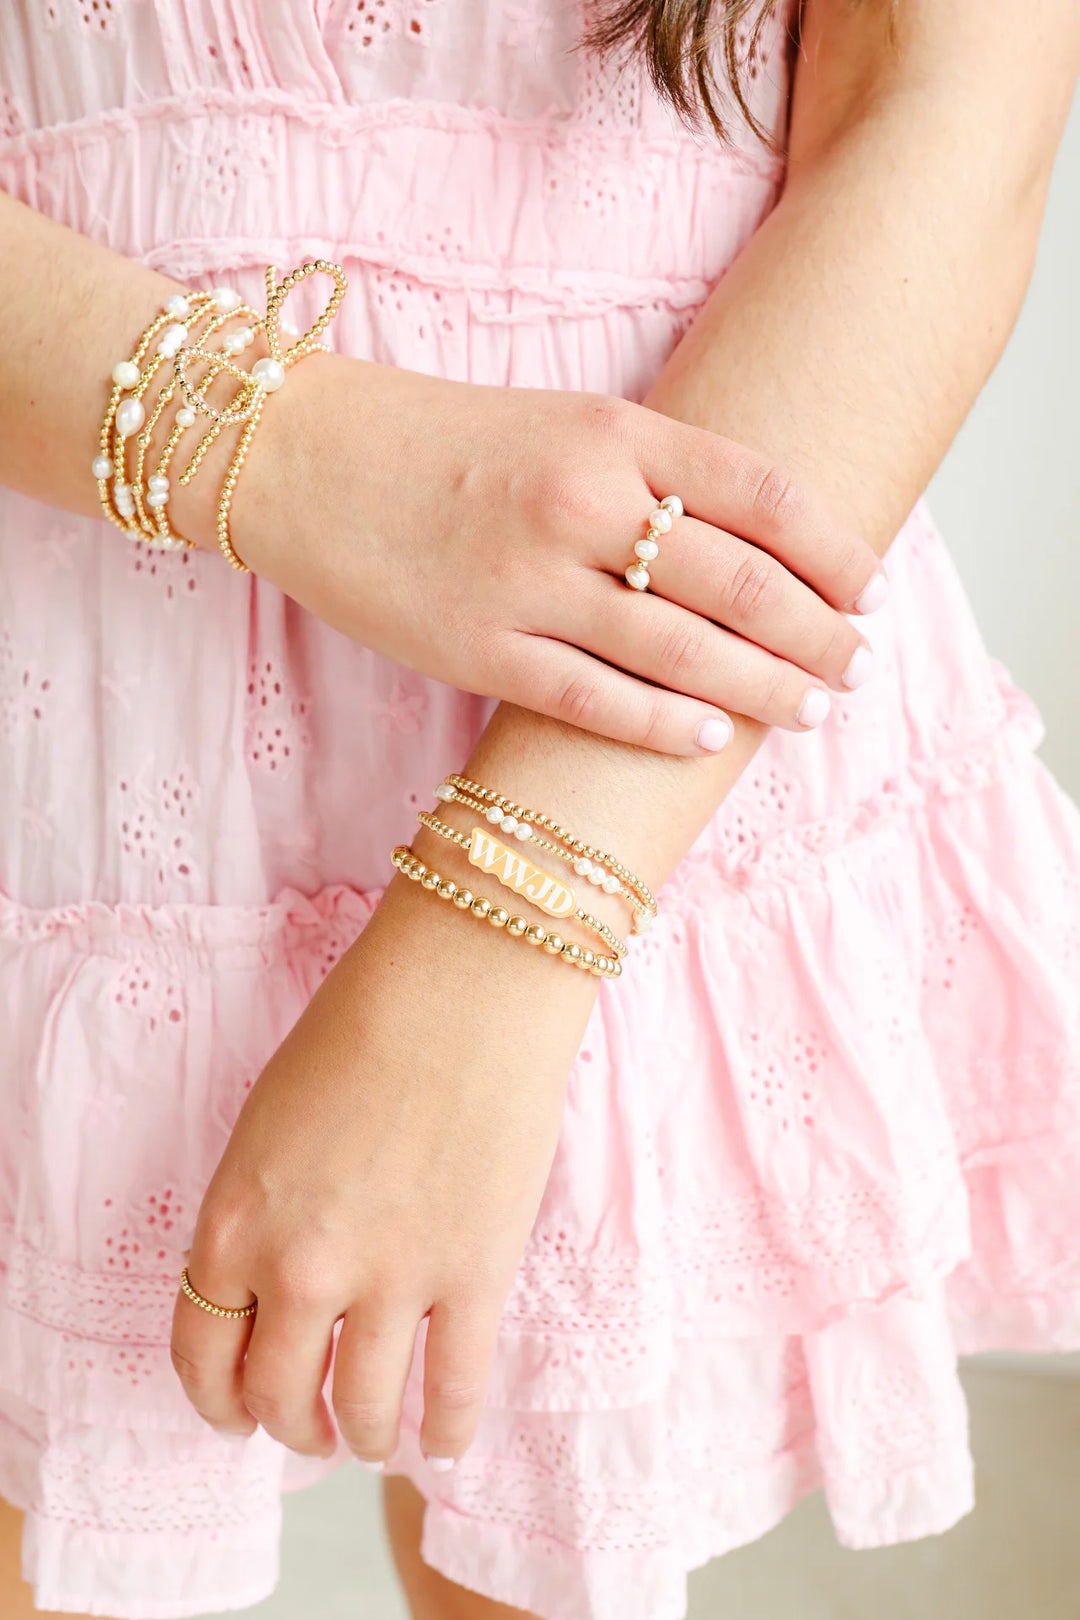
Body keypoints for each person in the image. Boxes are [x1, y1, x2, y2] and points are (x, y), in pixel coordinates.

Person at [1, 2, 1079, 1617]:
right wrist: (282, 453)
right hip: (62, 720)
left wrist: (504, 932)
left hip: (657, 740)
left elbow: (939, 120)